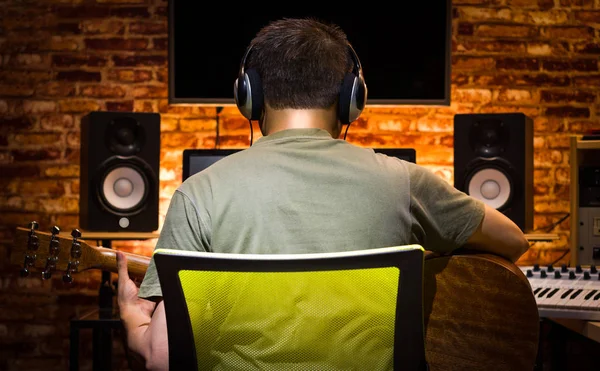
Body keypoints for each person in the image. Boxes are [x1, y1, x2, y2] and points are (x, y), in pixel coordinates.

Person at [116, 17, 529, 370]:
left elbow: (161, 358)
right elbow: (513, 240)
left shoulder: (198, 194)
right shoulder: (405, 182)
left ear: (250, 97)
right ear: (353, 99)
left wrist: (134, 320)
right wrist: (429, 258)